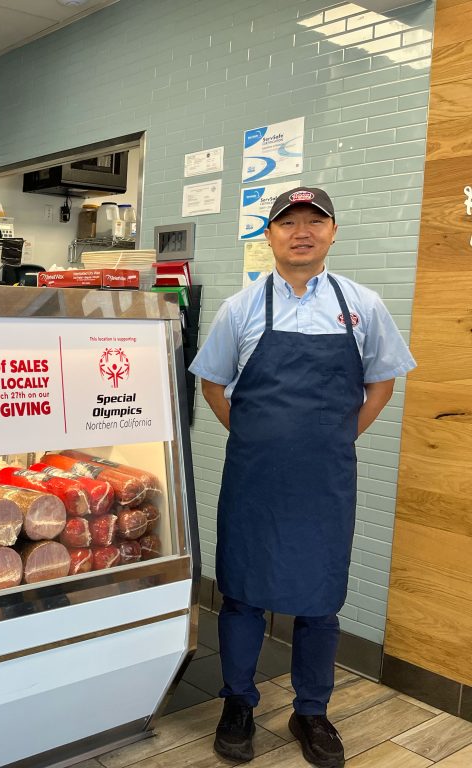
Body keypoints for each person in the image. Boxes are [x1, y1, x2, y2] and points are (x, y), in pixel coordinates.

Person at [189, 187, 416, 768]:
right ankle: (238, 702)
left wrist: (334, 437)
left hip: (325, 483)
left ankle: (311, 711)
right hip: (254, 480)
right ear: (269, 236)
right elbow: (213, 384)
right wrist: (257, 436)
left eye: (315, 221)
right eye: (287, 222)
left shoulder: (362, 305)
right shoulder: (240, 308)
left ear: (333, 233)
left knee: (320, 602)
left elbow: (383, 382)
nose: (301, 231)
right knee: (239, 595)